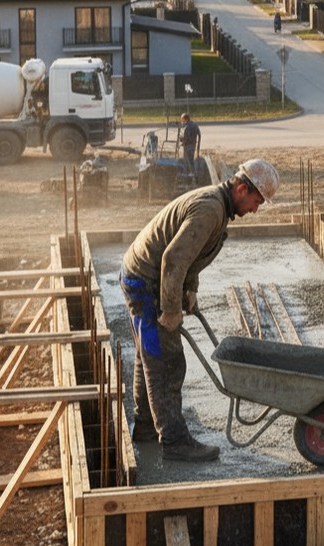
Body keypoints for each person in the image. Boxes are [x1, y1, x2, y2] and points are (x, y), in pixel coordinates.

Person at [120, 159, 280, 462]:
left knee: (148, 356)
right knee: (166, 361)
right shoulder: (210, 210)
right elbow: (174, 260)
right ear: (242, 189)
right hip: (145, 282)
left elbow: (191, 257)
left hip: (142, 275)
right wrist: (169, 310)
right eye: (256, 202)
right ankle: (174, 440)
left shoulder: (217, 205)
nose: (255, 210)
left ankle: (145, 426)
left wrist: (190, 289)